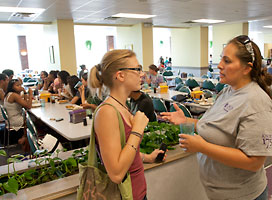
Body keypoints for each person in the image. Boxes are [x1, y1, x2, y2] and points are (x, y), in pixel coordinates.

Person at [162, 35, 272, 200]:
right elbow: (215, 127)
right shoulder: (228, 90)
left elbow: (254, 162)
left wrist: (202, 147)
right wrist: (186, 120)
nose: (219, 65)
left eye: (227, 61)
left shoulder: (256, 101)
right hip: (219, 193)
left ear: (246, 68)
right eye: (221, 59)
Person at [90, 49, 166, 200]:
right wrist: (137, 130)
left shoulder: (122, 106)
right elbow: (117, 174)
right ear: (120, 75)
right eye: (137, 69)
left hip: (137, 193)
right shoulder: (107, 113)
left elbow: (123, 151)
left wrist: (147, 157)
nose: (142, 74)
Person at [4, 79, 32, 144]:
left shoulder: (9, 94)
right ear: (12, 87)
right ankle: (25, 138)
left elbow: (25, 104)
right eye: (17, 85)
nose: (20, 87)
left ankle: (26, 137)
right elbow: (28, 106)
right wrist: (30, 95)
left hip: (10, 119)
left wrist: (25, 92)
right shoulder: (14, 95)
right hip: (15, 120)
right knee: (34, 120)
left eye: (20, 85)